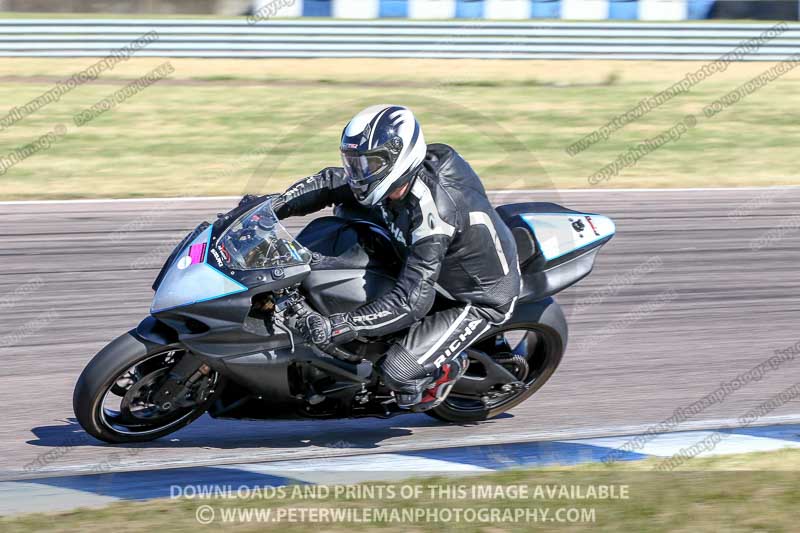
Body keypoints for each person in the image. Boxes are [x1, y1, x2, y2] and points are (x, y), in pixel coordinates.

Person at [272, 104, 520, 412]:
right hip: (424, 259)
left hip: (474, 297)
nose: (358, 174)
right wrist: (269, 208)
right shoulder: (399, 183)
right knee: (343, 217)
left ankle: (443, 371)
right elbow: (331, 182)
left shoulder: (435, 214)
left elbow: (411, 302)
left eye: (369, 164)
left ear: (399, 158)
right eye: (354, 163)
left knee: (397, 373)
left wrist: (340, 326)